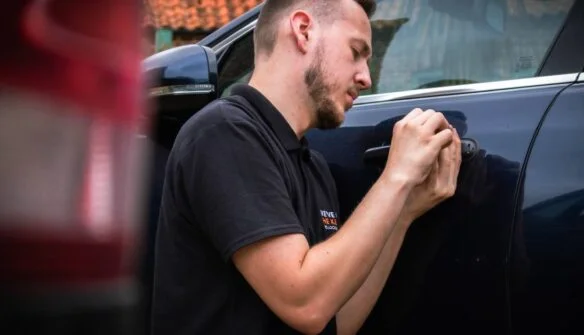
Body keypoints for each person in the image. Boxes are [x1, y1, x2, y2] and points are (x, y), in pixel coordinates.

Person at [150, 0, 462, 334]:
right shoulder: (223, 133)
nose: (366, 78)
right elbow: (305, 304)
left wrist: (403, 213)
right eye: (356, 51)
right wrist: (397, 176)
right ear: (303, 31)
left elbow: (337, 320)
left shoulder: (312, 167)